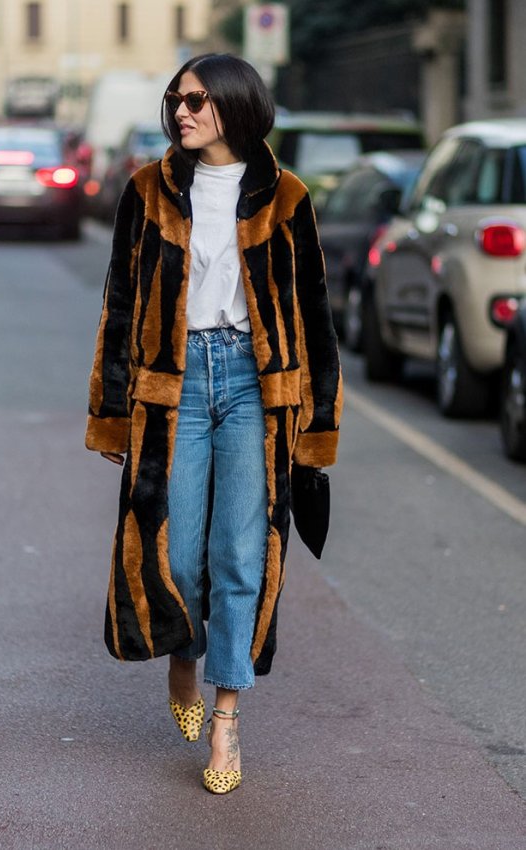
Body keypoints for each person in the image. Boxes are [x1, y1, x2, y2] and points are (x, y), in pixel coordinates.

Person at [85, 53, 343, 795]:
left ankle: (227, 719)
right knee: (174, 552)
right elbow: (121, 303)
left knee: (240, 553)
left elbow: (314, 315)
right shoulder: (148, 189)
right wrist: (111, 413)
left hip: (257, 387)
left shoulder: (286, 196)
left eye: (196, 100)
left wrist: (318, 427)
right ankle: (183, 655)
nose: (181, 112)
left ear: (235, 105)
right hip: (175, 386)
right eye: (176, 99)